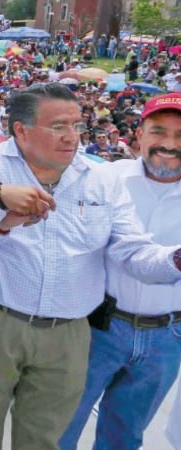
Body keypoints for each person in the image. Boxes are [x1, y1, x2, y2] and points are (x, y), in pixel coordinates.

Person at [0, 83, 181, 450]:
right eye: (58, 126)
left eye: (77, 125)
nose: (72, 137)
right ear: (20, 130)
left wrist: (175, 259)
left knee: (46, 436)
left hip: (69, 333)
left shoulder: (100, 179)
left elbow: (134, 252)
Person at [60, 93, 181, 449]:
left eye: (180, 135)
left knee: (124, 438)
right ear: (138, 134)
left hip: (167, 337)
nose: (169, 145)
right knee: (58, 429)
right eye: (159, 132)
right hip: (96, 328)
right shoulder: (102, 180)